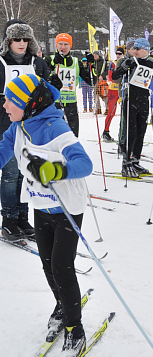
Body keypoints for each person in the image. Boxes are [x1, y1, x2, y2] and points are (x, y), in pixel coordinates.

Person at [0, 74, 93, 355]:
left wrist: (57, 170)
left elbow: (84, 164)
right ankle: (62, 307)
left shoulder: (55, 127)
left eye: (10, 100)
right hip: (41, 207)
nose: (4, 104)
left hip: (66, 209)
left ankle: (75, 330)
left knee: (61, 270)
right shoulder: (17, 128)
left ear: (27, 104)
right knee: (47, 265)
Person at [0, 20, 53, 241]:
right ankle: (9, 220)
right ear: (8, 41)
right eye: (16, 39)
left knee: (25, 173)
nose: (21, 43)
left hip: (31, 125)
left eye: (25, 39)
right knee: (11, 174)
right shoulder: (1, 62)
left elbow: (48, 90)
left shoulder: (37, 62)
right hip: (6, 124)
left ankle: (23, 217)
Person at [112, 38, 153, 178]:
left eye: (138, 49)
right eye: (134, 49)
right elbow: (115, 76)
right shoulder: (131, 61)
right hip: (130, 100)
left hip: (144, 100)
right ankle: (126, 163)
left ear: (146, 50)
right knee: (131, 132)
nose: (135, 51)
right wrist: (122, 68)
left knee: (141, 132)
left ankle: (135, 160)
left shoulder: (152, 62)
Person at [46, 33, 93, 137]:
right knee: (55, 137)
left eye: (66, 44)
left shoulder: (76, 62)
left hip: (71, 104)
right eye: (60, 44)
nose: (63, 47)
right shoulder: (49, 59)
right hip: (54, 104)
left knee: (72, 136)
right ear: (56, 45)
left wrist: (92, 65)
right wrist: (53, 66)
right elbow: (43, 80)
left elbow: (91, 81)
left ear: (70, 46)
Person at [102, 47, 124, 142]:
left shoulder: (125, 62)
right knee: (111, 112)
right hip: (113, 90)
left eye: (120, 53)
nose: (118, 55)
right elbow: (110, 77)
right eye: (117, 53)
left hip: (122, 90)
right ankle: (106, 132)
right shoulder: (113, 63)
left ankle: (125, 134)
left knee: (126, 113)